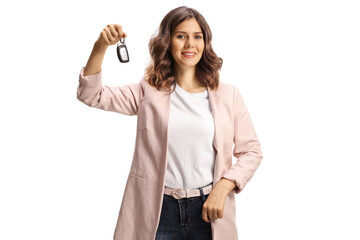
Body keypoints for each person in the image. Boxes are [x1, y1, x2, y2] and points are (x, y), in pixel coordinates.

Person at [77, 6, 263, 240]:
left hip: (210, 210)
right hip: (158, 210)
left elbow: (252, 151)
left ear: (205, 43)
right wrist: (100, 46)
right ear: (168, 41)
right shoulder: (148, 92)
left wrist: (224, 187)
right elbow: (91, 95)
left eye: (197, 37)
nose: (190, 44)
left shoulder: (229, 95)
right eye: (181, 36)